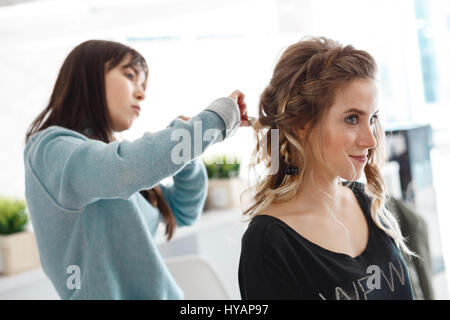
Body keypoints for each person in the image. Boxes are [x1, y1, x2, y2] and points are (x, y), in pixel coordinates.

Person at [23, 39, 249, 299]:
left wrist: (187, 154)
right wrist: (214, 121)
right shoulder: (51, 150)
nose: (141, 93)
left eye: (143, 85)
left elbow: (184, 210)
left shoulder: (108, 160)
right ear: (87, 77)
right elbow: (126, 168)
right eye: (130, 76)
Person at [238, 37, 416, 300]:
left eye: (373, 118)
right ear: (302, 124)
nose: (371, 140)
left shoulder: (367, 202)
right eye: (352, 119)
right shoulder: (269, 243)